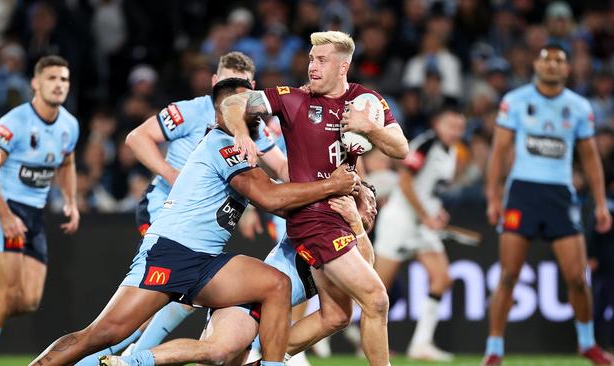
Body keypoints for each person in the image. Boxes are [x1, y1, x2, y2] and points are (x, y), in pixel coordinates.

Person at [29, 78, 358, 366]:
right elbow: (272, 199)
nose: (256, 108)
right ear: (223, 112)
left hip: (203, 261)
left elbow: (284, 199)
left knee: (276, 285)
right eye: (244, 103)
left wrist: (346, 199)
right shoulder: (223, 143)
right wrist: (333, 186)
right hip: (170, 252)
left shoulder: (243, 149)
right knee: (103, 334)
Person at [74, 52, 288, 365]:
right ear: (215, 83)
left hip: (199, 227)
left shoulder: (256, 128)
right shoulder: (192, 111)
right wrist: (173, 175)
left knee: (168, 302)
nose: (232, 93)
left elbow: (279, 170)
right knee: (148, 308)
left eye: (240, 85)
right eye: (225, 82)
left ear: (252, 89)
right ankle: (128, 357)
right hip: (165, 211)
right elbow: (137, 138)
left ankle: (131, 358)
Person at [222, 30, 409, 366]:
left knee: (336, 315)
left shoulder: (365, 101)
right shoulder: (293, 100)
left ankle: (261, 361)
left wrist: (370, 128)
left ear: (343, 65)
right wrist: (240, 131)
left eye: (321, 60)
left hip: (339, 216)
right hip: (313, 219)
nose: (312, 66)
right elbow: (233, 103)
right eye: (311, 58)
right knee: (377, 300)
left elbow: (401, 148)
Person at [102, 182, 378, 366]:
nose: (374, 209)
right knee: (216, 351)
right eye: (368, 201)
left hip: (268, 314)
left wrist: (356, 224)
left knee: (339, 316)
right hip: (249, 302)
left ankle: (274, 356)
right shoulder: (318, 224)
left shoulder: (349, 242)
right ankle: (131, 362)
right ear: (346, 203)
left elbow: (366, 274)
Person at [483, 44, 614, 366]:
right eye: (546, 59)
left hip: (560, 195)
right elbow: (499, 152)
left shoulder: (579, 107)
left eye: (559, 60)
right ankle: (494, 349)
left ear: (567, 70)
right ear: (536, 65)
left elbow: (589, 158)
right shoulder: (515, 101)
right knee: (508, 276)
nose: (552, 64)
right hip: (522, 194)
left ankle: (586, 343)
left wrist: (600, 204)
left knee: (577, 279)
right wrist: (493, 197)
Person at [0, 55, 79, 366]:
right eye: (52, 78)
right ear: (35, 83)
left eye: (64, 79)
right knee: (8, 294)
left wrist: (71, 201)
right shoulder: (13, 123)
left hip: (35, 215)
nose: (59, 85)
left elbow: (67, 162)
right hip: (6, 208)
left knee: (27, 301)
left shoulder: (70, 125)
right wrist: (4, 215)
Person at [373, 109, 466, 361]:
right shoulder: (426, 144)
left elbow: (430, 190)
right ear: (438, 123)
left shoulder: (453, 151)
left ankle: (421, 344)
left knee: (442, 279)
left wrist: (437, 212)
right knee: (377, 290)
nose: (455, 131)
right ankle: (355, 336)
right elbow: (404, 181)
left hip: (422, 225)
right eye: (451, 125)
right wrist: (426, 215)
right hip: (400, 221)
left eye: (460, 127)